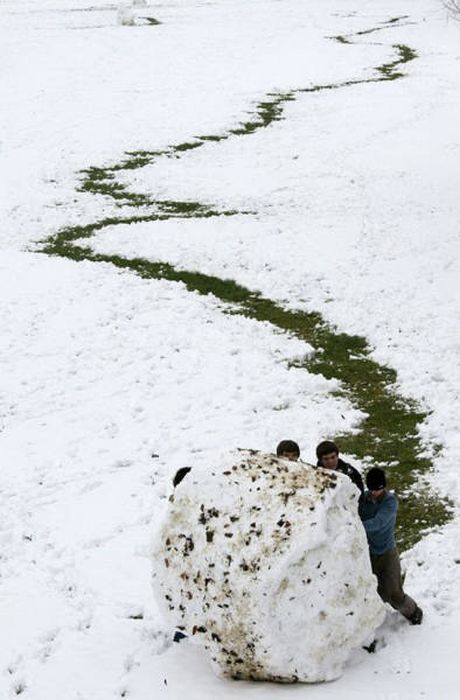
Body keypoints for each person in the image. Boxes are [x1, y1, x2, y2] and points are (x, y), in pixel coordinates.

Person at [359, 467, 423, 625]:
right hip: (368, 554)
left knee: (394, 593)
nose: (374, 493)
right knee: (371, 591)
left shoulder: (390, 502)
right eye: (372, 489)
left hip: (387, 553)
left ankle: (413, 612)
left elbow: (378, 523)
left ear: (384, 487)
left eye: (378, 489)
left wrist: (355, 526)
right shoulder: (363, 500)